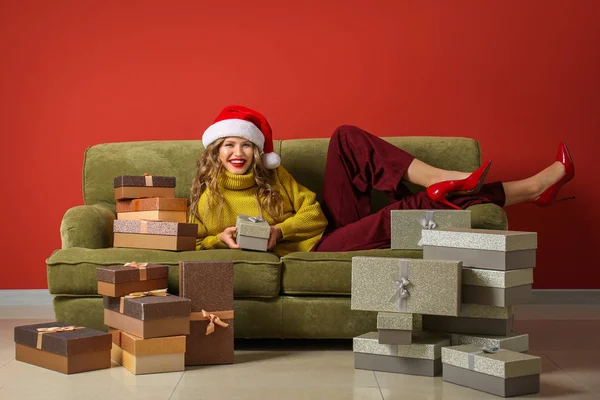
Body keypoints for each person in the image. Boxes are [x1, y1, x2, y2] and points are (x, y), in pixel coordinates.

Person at [189, 105, 575, 254]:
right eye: (228, 145)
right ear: (215, 152)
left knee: (345, 135)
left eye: (245, 145)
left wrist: (279, 231)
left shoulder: (274, 176)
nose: (237, 153)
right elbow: (192, 239)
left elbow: (314, 215)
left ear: (257, 151)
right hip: (319, 251)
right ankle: (533, 189)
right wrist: (219, 240)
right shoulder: (207, 196)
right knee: (411, 210)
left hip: (324, 231)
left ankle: (436, 177)